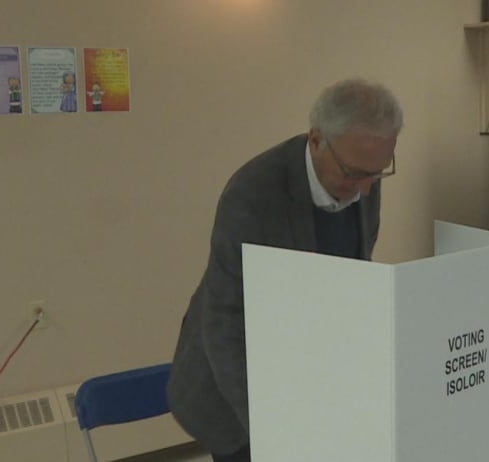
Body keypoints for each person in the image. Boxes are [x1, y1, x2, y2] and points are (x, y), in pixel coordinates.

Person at [167, 78, 403, 462]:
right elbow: (225, 324)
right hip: (235, 391)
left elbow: (349, 284)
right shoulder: (253, 195)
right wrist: (272, 431)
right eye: (354, 174)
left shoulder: (364, 174)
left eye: (378, 174)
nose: (365, 191)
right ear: (316, 140)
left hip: (304, 374)